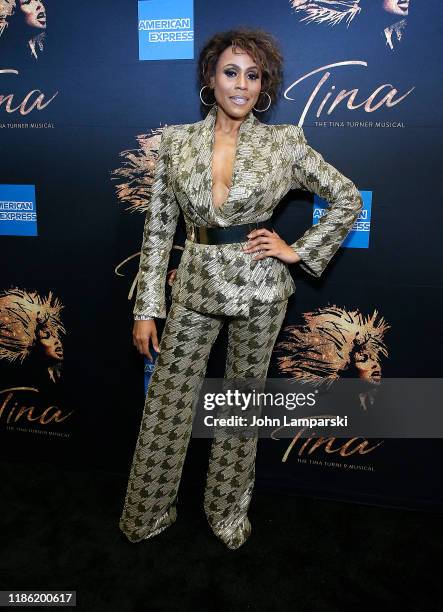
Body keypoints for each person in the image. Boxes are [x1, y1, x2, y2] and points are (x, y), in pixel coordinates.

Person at [119, 27, 363, 550]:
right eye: (232, 72)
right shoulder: (178, 141)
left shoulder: (284, 142)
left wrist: (296, 249)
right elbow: (160, 228)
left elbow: (346, 197)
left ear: (263, 86)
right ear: (211, 78)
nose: (242, 85)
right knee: (167, 403)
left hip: (261, 290)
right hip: (194, 285)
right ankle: (148, 512)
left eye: (253, 76)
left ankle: (226, 514)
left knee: (239, 405)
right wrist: (147, 308)